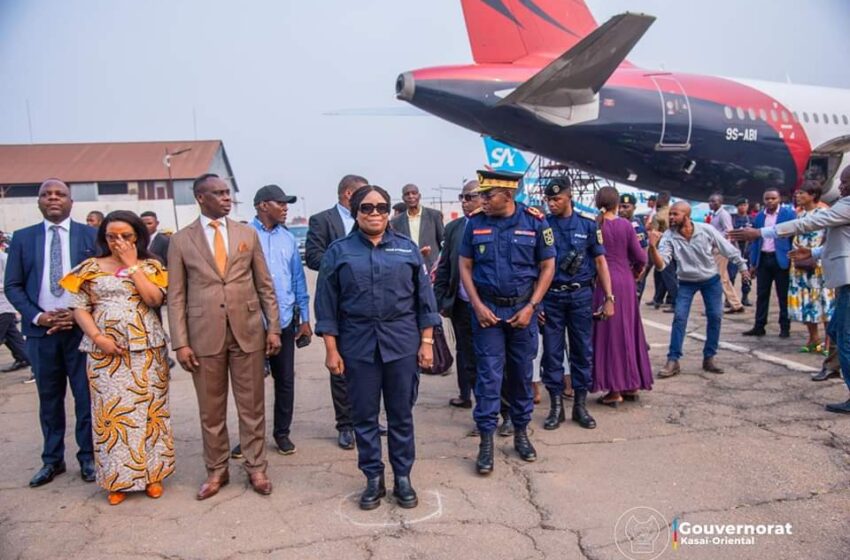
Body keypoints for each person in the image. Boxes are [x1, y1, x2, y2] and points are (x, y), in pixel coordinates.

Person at [315, 185, 440, 510]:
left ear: (389, 212)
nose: (375, 213)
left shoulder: (407, 249)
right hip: (358, 347)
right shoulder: (338, 252)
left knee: (401, 415)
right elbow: (326, 306)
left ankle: (402, 477)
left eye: (381, 208)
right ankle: (373, 478)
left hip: (401, 345)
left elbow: (425, 301)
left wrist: (426, 343)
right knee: (364, 417)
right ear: (355, 212)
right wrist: (331, 349)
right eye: (367, 208)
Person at [167, 173, 281, 499]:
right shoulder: (180, 240)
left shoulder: (247, 233)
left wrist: (272, 327)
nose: (226, 198)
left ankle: (256, 468)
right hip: (203, 336)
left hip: (247, 333)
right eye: (218, 193)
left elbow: (265, 285)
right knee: (211, 411)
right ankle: (216, 471)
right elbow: (176, 294)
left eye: (227, 193)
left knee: (252, 407)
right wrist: (181, 342)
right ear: (200, 198)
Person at [60, 211, 172, 505]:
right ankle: (117, 479)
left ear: (138, 237)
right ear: (103, 237)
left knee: (150, 412)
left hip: (146, 348)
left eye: (126, 236)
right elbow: (79, 307)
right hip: (103, 353)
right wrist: (98, 337)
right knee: (113, 416)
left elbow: (154, 300)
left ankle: (153, 474)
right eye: (112, 236)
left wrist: (131, 266)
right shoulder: (88, 268)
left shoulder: (151, 265)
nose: (118, 241)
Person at [459, 170, 556, 474]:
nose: (482, 200)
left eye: (489, 195)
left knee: (521, 374)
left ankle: (521, 434)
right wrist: (476, 306)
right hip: (488, 313)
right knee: (488, 377)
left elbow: (548, 266)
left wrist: (532, 306)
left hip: (521, 313)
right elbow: (464, 265)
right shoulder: (475, 224)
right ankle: (486, 442)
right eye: (481, 195)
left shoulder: (535, 221)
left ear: (509, 194)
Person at [731, 167, 850, 413]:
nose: (841, 186)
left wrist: (762, 232)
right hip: (842, 281)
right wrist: (814, 252)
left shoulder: (846, 204)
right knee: (838, 331)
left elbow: (815, 221)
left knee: (844, 337)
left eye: (846, 181)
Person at [4, 179, 97, 487]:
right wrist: (39, 316)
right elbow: (13, 286)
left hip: (80, 331)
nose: (53, 198)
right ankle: (52, 460)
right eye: (46, 194)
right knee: (49, 399)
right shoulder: (23, 238)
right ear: (39, 202)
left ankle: (88, 459)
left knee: (85, 398)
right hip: (41, 333)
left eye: (60, 194)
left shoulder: (90, 236)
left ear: (71, 201)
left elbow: (99, 283)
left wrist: (78, 314)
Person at [230, 185, 312, 459]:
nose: (286, 207)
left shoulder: (287, 238)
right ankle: (250, 437)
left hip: (285, 321)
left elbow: (298, 279)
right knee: (250, 384)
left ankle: (282, 434)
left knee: (285, 380)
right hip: (251, 322)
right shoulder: (242, 237)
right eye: (281, 203)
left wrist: (305, 317)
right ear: (263, 205)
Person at [539, 178, 611, 430]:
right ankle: (555, 407)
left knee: (582, 352)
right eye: (548, 199)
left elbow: (601, 262)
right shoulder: (543, 225)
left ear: (569, 198)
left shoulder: (588, 226)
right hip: (552, 298)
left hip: (581, 296)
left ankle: (580, 406)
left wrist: (609, 298)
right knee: (552, 353)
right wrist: (536, 304)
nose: (552, 203)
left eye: (556, 199)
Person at [647, 201, 749, 378]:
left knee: (715, 316)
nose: (671, 217)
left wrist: (742, 267)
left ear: (686, 216)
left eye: (675, 214)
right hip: (686, 282)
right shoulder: (669, 236)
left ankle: (709, 357)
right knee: (679, 318)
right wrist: (652, 247)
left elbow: (727, 248)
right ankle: (673, 360)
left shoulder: (705, 230)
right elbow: (661, 265)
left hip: (710, 280)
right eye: (670, 214)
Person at [305, 174, 368, 449]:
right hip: (338, 303)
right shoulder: (322, 220)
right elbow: (313, 257)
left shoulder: (371, 218)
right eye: (362, 193)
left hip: (369, 305)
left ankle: (367, 419)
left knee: (369, 367)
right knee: (340, 367)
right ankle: (345, 424)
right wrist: (346, 262)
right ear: (347, 193)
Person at [591, 187, 653, 406]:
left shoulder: (595, 226)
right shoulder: (626, 225)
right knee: (629, 331)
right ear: (617, 204)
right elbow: (640, 256)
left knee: (610, 335)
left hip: (603, 282)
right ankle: (631, 383)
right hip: (624, 281)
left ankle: (614, 388)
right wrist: (635, 272)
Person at [434, 180, 481, 409]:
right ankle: (465, 394)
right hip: (461, 304)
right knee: (464, 353)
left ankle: (494, 408)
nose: (465, 202)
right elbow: (444, 266)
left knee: (489, 357)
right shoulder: (454, 228)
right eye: (462, 197)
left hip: (490, 305)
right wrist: (440, 300)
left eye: (470, 197)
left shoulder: (494, 224)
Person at [742, 188, 796, 338]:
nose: (770, 201)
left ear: (779, 199)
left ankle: (785, 327)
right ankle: (759, 326)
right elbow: (755, 241)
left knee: (783, 295)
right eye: (767, 199)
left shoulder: (788, 215)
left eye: (773, 198)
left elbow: (793, 237)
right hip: (764, 259)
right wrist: (753, 263)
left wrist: (792, 257)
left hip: (781, 259)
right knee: (762, 294)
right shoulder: (759, 217)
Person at [788, 182, 834, 354]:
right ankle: (813, 338)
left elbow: (828, 237)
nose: (797, 196)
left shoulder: (824, 214)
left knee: (824, 302)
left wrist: (814, 253)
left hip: (818, 263)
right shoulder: (799, 215)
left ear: (813, 195)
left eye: (801, 193)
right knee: (806, 302)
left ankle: (830, 342)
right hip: (800, 263)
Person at [390, 183, 445, 270]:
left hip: (432, 268)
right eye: (407, 194)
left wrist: (440, 264)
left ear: (419, 196)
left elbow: (443, 243)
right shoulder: (396, 221)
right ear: (403, 198)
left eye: (414, 193)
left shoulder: (434, 215)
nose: (411, 196)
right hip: (408, 267)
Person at [708, 193, 745, 314]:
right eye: (710, 201)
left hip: (720, 249)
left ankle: (719, 305)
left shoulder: (723, 215)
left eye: (714, 201)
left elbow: (729, 231)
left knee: (719, 277)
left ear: (720, 202)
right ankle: (736, 304)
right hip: (716, 248)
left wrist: (717, 239)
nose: (711, 203)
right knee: (723, 277)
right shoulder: (715, 215)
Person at [0, 250, 31, 373]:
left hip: (4, 306)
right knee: (12, 336)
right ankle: (24, 358)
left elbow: (10, 282)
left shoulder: (4, 258)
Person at [648, 191, 677, 311]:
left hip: (663, 249)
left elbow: (654, 233)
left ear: (660, 200)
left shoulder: (658, 216)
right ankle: (659, 299)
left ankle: (676, 302)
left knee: (667, 276)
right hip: (676, 247)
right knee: (667, 274)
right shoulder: (674, 212)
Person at [618, 193, 648, 299]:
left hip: (632, 271)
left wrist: (640, 272)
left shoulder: (637, 227)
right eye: (619, 206)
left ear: (634, 208)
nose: (621, 210)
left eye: (626, 207)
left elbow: (643, 251)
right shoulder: (615, 223)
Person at [730, 198, 753, 307]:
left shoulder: (751, 219)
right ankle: (729, 298)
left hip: (747, 250)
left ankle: (745, 297)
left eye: (745, 205)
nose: (743, 207)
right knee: (731, 276)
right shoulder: (732, 218)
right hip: (733, 249)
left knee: (746, 275)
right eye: (741, 205)